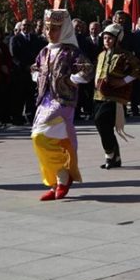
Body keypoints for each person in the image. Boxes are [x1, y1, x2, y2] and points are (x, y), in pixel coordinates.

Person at [30, 10, 94, 201]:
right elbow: (35, 67)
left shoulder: (71, 51)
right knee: (42, 138)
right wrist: (37, 76)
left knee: (40, 134)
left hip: (63, 100)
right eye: (47, 28)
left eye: (55, 29)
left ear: (64, 29)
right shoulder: (44, 51)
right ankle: (59, 179)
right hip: (45, 100)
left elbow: (87, 69)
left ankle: (62, 176)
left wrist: (72, 80)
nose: (50, 32)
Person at [93, 23, 140, 169]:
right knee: (103, 127)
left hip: (114, 96)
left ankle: (110, 155)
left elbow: (139, 69)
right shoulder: (101, 54)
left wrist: (123, 81)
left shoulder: (125, 55)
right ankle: (115, 156)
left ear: (117, 40)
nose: (106, 41)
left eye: (110, 38)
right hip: (98, 95)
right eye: (105, 38)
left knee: (101, 120)